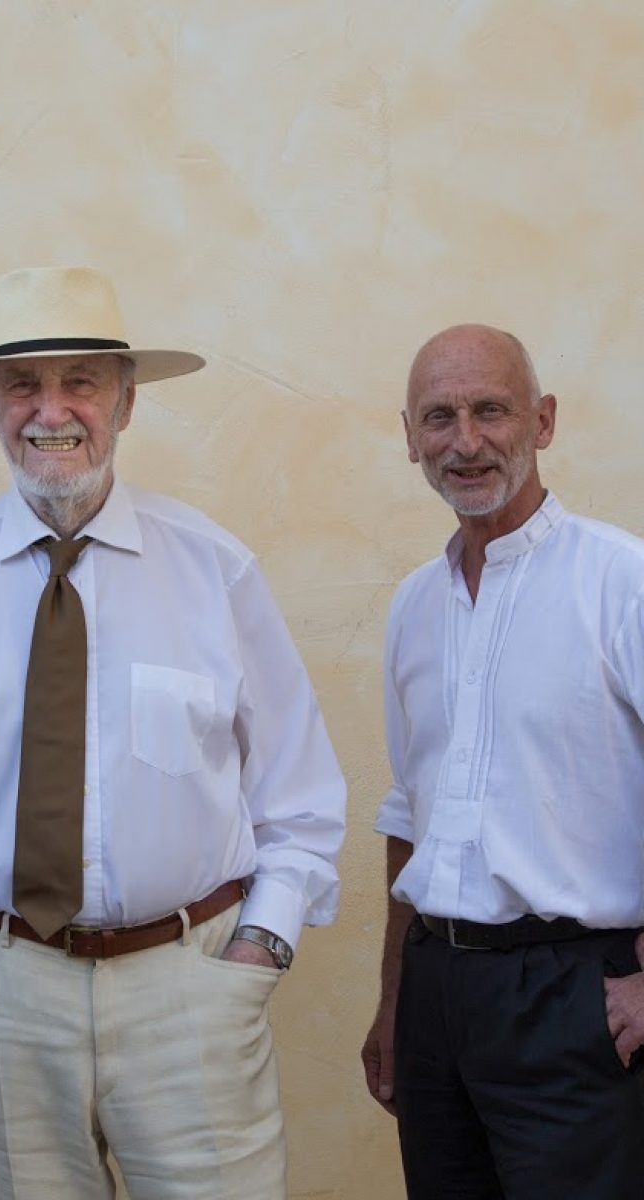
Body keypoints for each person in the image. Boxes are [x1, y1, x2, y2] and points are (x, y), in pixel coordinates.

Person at [0, 265, 347, 1200]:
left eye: (81, 380)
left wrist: (258, 950)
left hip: (188, 989)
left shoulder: (215, 571)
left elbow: (302, 798)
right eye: (22, 384)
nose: (51, 410)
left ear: (125, 400)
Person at [362, 323, 644, 1198]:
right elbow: (411, 813)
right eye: (439, 417)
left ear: (543, 421)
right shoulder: (415, 605)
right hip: (439, 993)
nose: (467, 441)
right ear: (410, 437)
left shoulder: (622, 582)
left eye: (492, 410)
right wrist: (394, 1000)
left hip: (576, 995)